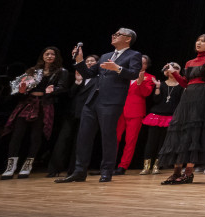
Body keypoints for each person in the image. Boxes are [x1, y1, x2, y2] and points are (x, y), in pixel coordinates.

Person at [58, 29, 143, 184]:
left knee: (108, 137)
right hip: (93, 100)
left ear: (128, 39)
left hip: (111, 101)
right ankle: (79, 171)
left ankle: (106, 172)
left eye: (118, 34)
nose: (113, 36)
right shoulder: (105, 56)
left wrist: (117, 68)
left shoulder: (134, 55)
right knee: (83, 136)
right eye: (114, 34)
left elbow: (134, 74)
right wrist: (79, 60)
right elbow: (88, 74)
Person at [157, 35, 205, 185]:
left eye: (203, 41)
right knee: (181, 131)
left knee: (195, 132)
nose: (199, 43)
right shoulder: (189, 62)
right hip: (188, 96)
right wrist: (174, 72)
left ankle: (188, 172)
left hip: (202, 95)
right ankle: (176, 172)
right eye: (198, 40)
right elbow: (185, 83)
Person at [1, 46, 68, 179]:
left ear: (57, 57)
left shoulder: (61, 71)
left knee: (35, 136)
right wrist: (21, 90)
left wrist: (53, 91)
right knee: (17, 135)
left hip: (44, 104)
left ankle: (27, 166)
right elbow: (20, 88)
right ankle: (10, 166)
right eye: (47, 54)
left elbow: (63, 88)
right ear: (42, 56)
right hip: (26, 103)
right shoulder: (33, 70)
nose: (49, 56)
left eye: (52, 54)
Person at [46, 56, 97, 177]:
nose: (89, 63)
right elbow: (70, 95)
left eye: (92, 61)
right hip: (72, 112)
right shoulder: (80, 75)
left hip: (88, 114)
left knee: (80, 143)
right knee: (63, 140)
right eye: (87, 61)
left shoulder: (99, 78)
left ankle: (74, 170)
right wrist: (77, 82)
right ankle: (54, 169)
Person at [114, 55, 154, 176]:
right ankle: (108, 164)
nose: (140, 65)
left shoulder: (149, 77)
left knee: (130, 141)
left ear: (146, 65)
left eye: (143, 63)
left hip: (135, 112)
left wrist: (140, 83)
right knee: (114, 138)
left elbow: (146, 93)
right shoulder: (126, 74)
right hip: (119, 110)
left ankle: (123, 166)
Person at [141, 62, 181, 174]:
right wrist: (157, 87)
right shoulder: (161, 84)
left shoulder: (181, 86)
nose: (174, 70)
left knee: (163, 143)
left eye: (176, 68)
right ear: (166, 71)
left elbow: (180, 103)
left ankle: (156, 166)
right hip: (156, 116)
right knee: (151, 142)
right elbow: (156, 100)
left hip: (170, 117)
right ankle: (146, 167)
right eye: (172, 68)